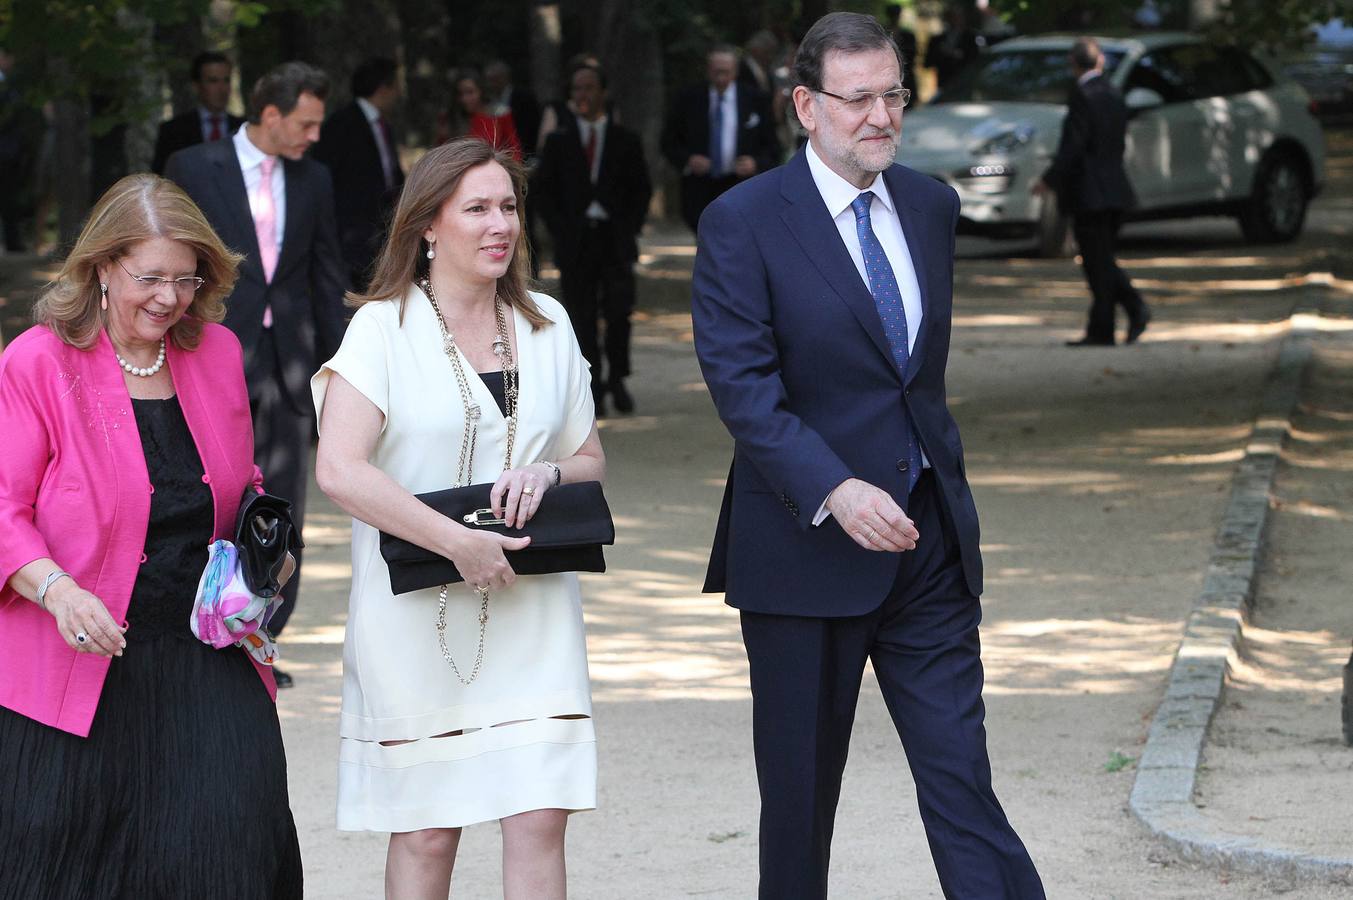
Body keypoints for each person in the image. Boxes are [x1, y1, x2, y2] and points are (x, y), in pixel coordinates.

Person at [690, 13, 1045, 898]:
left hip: (925, 543)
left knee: (962, 783)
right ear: (806, 105)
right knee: (801, 809)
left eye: (893, 94)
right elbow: (745, 393)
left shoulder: (930, 205)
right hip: (803, 552)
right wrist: (833, 489)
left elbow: (909, 382)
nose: (881, 115)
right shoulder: (741, 222)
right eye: (858, 99)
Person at [312, 136, 605, 899]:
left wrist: (548, 469)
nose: (497, 224)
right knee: (428, 828)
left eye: (507, 206)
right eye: (475, 208)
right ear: (427, 226)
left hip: (533, 606)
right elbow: (339, 469)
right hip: (415, 613)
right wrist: (456, 543)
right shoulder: (382, 329)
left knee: (539, 816)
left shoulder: (548, 323)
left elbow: (588, 460)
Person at [0, 173, 302, 897]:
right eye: (150, 278)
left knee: (234, 849)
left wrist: (268, 550)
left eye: (187, 280)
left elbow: (240, 481)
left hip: (206, 654)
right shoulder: (39, 362)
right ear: (102, 268)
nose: (169, 299)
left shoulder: (218, 353)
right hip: (80, 661)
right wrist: (59, 590)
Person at [165, 62, 349, 685]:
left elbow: (327, 276)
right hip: (213, 356)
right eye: (306, 122)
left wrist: (344, 370)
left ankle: (262, 632)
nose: (314, 136)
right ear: (270, 115)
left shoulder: (316, 178)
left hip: (291, 360)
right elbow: (170, 261)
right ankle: (207, 623)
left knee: (283, 501)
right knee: (212, 492)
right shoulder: (193, 166)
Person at [534, 63, 651, 416]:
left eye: (588, 88)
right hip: (576, 242)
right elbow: (544, 192)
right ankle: (593, 382)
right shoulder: (559, 142)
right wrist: (560, 230)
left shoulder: (625, 139)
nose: (582, 96)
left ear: (603, 92)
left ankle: (618, 376)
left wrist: (629, 226)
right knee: (581, 315)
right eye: (576, 90)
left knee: (619, 312)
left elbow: (641, 189)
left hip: (615, 240)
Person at [1034, 37, 1150, 347]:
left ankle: (1130, 310)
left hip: (1090, 191)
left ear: (1073, 64)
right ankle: (1105, 326)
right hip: (1114, 186)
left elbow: (1073, 145)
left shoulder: (1082, 95)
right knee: (1102, 260)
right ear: (1099, 62)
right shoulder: (1113, 93)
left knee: (1098, 263)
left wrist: (1050, 178)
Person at [662, 44, 781, 232]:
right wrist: (688, 160)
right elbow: (669, 141)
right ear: (708, 71)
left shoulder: (755, 100)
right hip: (700, 187)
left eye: (725, 72)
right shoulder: (689, 98)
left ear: (735, 72)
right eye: (715, 71)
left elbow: (773, 147)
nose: (720, 77)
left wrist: (755, 163)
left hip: (740, 185)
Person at [311, 57, 406, 291]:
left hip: (380, 231)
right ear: (384, 88)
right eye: (396, 86)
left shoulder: (383, 125)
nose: (398, 94)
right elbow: (327, 177)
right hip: (351, 237)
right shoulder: (342, 124)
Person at [150, 50, 244, 175]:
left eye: (226, 80)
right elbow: (162, 176)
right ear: (197, 86)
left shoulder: (244, 128)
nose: (222, 89)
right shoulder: (173, 131)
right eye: (213, 81)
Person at [440, 69, 522, 159]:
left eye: (470, 92)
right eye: (460, 94)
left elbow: (514, 149)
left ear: (481, 91)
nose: (465, 99)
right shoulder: (450, 118)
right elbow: (441, 152)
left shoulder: (499, 114)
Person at [485, 59, 541, 158]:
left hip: (523, 150)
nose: (491, 84)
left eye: (495, 79)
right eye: (489, 80)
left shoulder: (524, 97)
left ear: (505, 77)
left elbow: (532, 126)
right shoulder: (487, 101)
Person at [924, 3, 980, 90]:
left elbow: (975, 60)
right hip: (944, 83)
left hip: (964, 83)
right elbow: (928, 62)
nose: (955, 20)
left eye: (957, 17)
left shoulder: (970, 38)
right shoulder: (937, 39)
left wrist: (959, 54)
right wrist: (943, 53)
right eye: (952, 17)